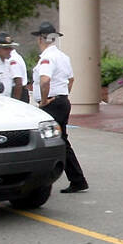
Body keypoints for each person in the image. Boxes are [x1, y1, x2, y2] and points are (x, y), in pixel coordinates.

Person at [33, 21, 88, 194]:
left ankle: (38, 182)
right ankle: (78, 180)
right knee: (62, 141)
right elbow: (71, 80)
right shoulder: (63, 57)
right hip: (62, 102)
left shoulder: (47, 58)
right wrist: (63, 95)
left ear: (42, 39)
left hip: (51, 104)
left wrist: (44, 101)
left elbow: (45, 80)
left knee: (42, 142)